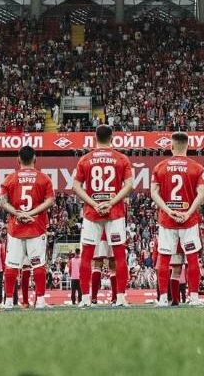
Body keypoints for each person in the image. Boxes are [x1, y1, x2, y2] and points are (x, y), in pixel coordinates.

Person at [72, 125, 134, 307]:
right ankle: (120, 297)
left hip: (92, 213)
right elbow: (129, 185)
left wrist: (93, 203)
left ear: (95, 138)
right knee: (119, 255)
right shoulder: (121, 158)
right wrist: (111, 202)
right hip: (115, 213)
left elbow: (76, 186)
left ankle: (85, 298)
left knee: (87, 256)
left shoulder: (85, 159)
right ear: (112, 138)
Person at [150, 131, 204, 307]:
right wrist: (188, 213)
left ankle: (162, 299)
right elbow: (202, 193)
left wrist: (168, 210)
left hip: (167, 221)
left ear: (171, 146)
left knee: (164, 258)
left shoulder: (160, 167)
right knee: (192, 258)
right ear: (187, 146)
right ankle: (194, 297)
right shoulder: (197, 167)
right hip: (188, 220)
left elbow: (153, 193)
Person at [0, 145, 55, 309]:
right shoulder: (44, 179)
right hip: (36, 228)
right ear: (35, 158)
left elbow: (3, 202)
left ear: (18, 159)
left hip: (16, 229)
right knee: (38, 265)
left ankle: (8, 302)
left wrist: (18, 213)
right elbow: (50, 201)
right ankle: (40, 301)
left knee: (12, 266)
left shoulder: (9, 179)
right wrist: (31, 213)